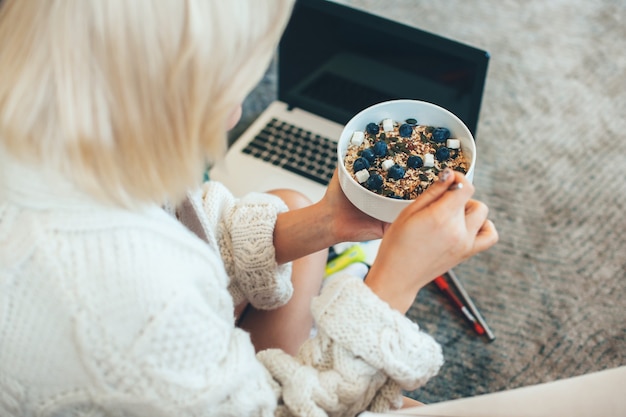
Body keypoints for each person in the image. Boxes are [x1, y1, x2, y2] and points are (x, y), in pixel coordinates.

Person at [0, 1, 498, 416]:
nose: (240, 109)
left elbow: (189, 226)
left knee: (290, 205)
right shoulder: (140, 301)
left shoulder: (52, 134)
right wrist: (393, 284)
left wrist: (328, 222)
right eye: (236, 79)